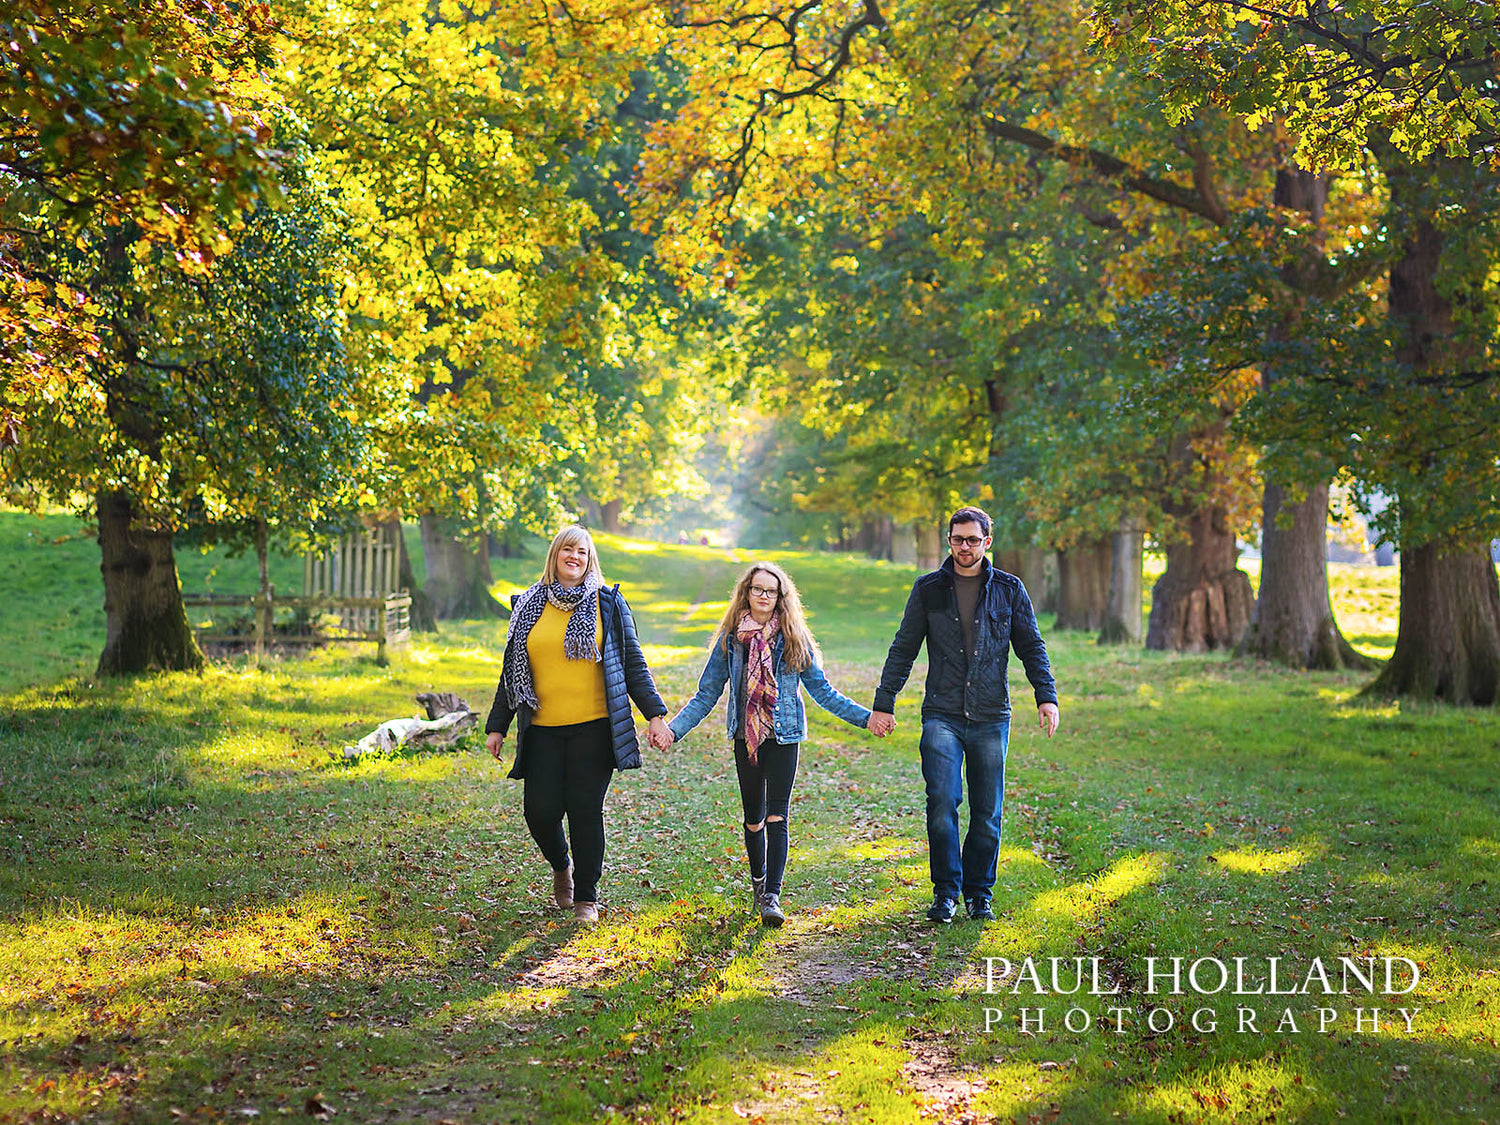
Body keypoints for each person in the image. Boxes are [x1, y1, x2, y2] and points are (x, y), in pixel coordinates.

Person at [655, 561, 877, 926]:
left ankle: (772, 895)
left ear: (780, 597)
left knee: (777, 815)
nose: (763, 596)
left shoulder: (793, 639)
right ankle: (758, 882)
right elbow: (706, 694)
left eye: (770, 591)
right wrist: (673, 730)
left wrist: (866, 717)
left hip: (785, 736)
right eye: (757, 589)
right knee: (753, 818)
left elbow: (823, 692)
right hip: (747, 737)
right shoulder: (731, 640)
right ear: (746, 593)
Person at [868, 506, 1060, 924]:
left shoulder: (1009, 590)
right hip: (942, 713)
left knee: (987, 811)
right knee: (942, 801)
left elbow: (1032, 645)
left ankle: (979, 894)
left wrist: (1046, 696)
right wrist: (885, 701)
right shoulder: (929, 590)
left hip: (992, 714)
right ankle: (946, 893)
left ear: (987, 542)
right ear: (949, 540)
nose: (965, 547)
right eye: (958, 539)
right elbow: (904, 648)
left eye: (973, 540)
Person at [485, 525, 672, 924]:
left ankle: (587, 896)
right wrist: (497, 725)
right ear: (555, 555)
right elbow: (511, 671)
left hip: (594, 727)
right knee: (540, 811)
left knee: (585, 809)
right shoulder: (528, 604)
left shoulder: (609, 604)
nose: (575, 557)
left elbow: (633, 664)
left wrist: (655, 715)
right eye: (568, 549)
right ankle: (561, 865)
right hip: (543, 729)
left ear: (590, 561)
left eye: (583, 552)